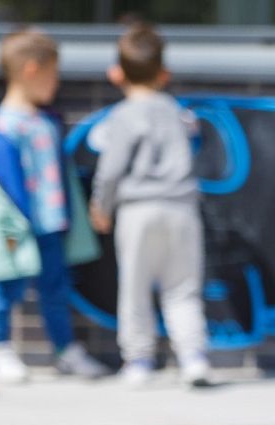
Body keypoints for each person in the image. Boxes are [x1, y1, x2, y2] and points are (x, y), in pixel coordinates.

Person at [0, 28, 108, 384]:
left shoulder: (46, 121)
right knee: (7, 285)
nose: (57, 83)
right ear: (31, 71)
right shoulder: (4, 126)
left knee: (55, 288)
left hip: (52, 226)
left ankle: (65, 350)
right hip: (17, 230)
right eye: (53, 75)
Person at [87, 22, 209, 389]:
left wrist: (100, 205)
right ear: (164, 73)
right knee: (183, 288)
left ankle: (138, 360)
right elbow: (193, 131)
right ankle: (193, 357)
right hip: (182, 208)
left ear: (117, 74)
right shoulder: (178, 112)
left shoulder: (123, 115)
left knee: (135, 287)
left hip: (137, 209)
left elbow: (110, 169)